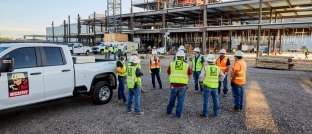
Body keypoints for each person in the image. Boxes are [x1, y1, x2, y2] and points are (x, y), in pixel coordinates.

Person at [166, 50, 192, 118]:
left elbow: (168, 73)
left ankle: (169, 112)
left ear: (176, 57)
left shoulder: (172, 64)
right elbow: (189, 75)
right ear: (184, 57)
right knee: (180, 100)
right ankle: (178, 115)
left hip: (173, 85)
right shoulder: (186, 65)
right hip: (183, 86)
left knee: (172, 99)